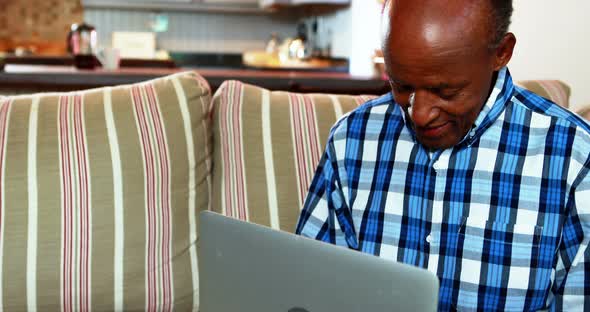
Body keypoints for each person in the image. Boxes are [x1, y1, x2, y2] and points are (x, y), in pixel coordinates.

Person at [295, 0, 590, 310]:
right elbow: (307, 287)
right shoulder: (350, 140)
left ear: (501, 52)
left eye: (446, 92)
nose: (419, 114)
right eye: (401, 85)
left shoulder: (574, 158)